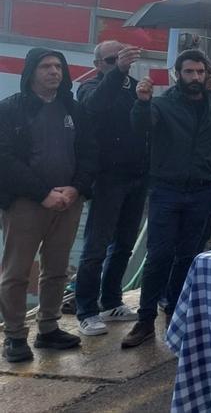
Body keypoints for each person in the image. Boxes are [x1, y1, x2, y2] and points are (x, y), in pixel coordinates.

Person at [122, 49, 211, 349]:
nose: (195, 78)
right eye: (189, 72)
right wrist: (142, 102)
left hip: (202, 192)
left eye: (200, 72)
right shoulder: (160, 105)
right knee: (158, 256)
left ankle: (176, 312)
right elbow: (141, 127)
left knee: (189, 256)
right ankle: (145, 320)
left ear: (207, 75)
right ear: (178, 74)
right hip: (167, 190)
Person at [0, 48, 97, 363]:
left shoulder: (75, 109)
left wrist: (76, 188)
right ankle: (14, 335)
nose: (54, 71)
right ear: (31, 72)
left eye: (58, 66)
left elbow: (89, 154)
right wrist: (43, 193)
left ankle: (48, 327)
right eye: (46, 66)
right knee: (16, 271)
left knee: (56, 268)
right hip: (26, 203)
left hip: (68, 202)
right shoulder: (10, 110)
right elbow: (5, 160)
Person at [72, 41, 150, 337]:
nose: (120, 63)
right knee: (95, 247)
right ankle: (87, 310)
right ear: (98, 64)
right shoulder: (90, 88)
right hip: (106, 177)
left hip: (136, 175)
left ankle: (112, 300)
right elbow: (95, 107)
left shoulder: (133, 86)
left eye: (122, 58)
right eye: (112, 60)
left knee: (124, 245)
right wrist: (117, 74)